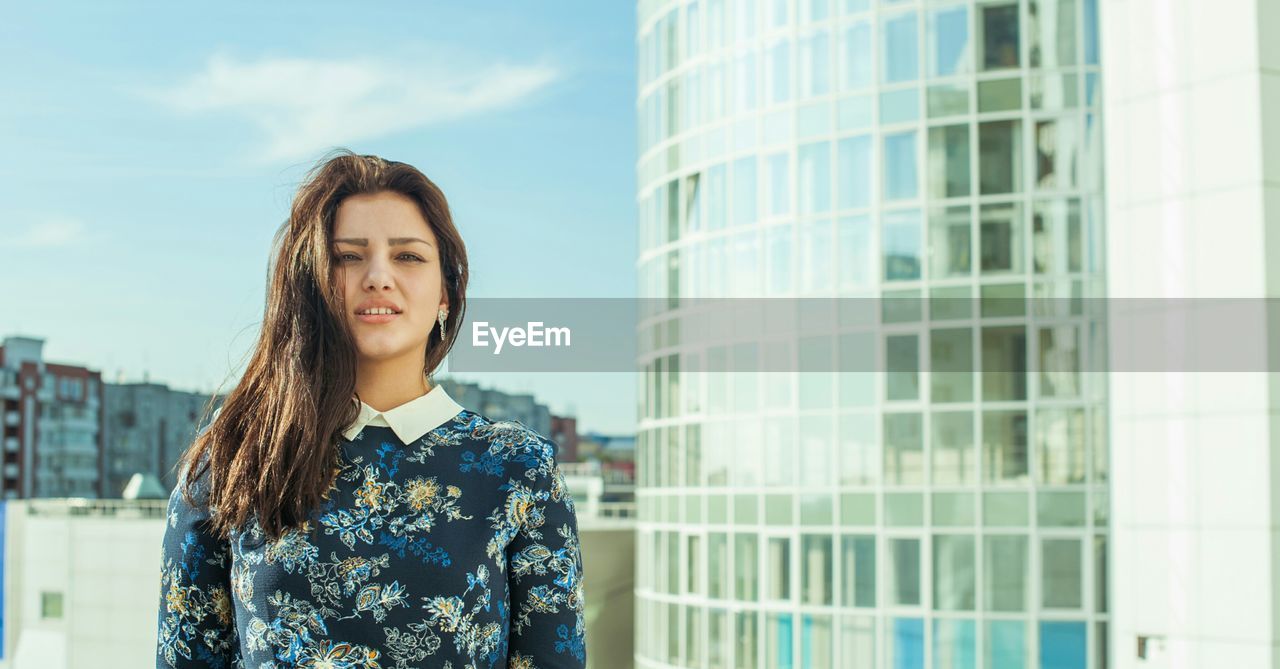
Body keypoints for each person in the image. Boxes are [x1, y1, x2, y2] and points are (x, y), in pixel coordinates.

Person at [155, 150, 586, 668]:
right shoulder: (230, 464)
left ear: (446, 293)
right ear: (310, 283)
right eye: (347, 256)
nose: (379, 276)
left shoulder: (519, 471)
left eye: (407, 256)